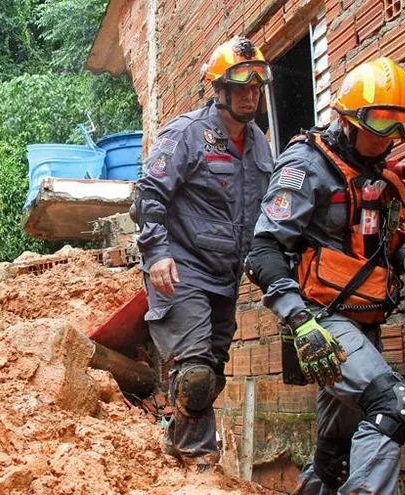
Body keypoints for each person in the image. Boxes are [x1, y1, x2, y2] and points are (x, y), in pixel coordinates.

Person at [246, 57, 405, 494]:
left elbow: (375, 243)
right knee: (394, 403)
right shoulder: (306, 165)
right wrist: (299, 322)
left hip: (364, 318)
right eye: (380, 123)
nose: (390, 139)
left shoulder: (377, 174)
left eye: (402, 126)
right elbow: (264, 250)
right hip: (321, 319)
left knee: (337, 453)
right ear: (348, 119)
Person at [133, 36, 274, 470]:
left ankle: (176, 441)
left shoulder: (261, 144)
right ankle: (201, 464)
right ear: (220, 89)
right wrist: (156, 253)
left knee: (208, 377)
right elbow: (148, 194)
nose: (251, 92)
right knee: (194, 374)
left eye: (257, 84)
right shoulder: (188, 134)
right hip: (181, 269)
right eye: (242, 84)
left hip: (225, 278)